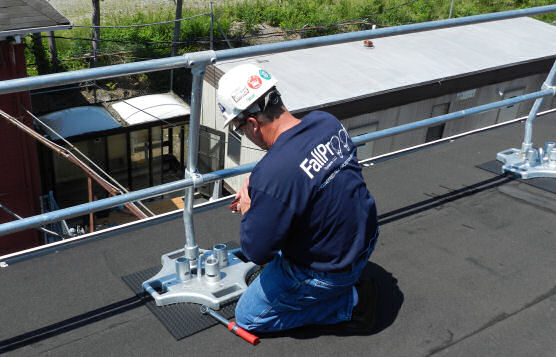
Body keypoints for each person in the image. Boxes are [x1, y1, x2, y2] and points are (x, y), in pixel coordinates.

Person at [217, 63, 379, 333]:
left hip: (329, 272)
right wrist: (260, 181)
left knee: (248, 317)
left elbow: (257, 251)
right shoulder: (325, 121)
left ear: (253, 124)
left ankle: (350, 303)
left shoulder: (273, 175)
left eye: (239, 128)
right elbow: (310, 175)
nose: (243, 134)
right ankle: (345, 284)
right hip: (365, 240)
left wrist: (249, 207)